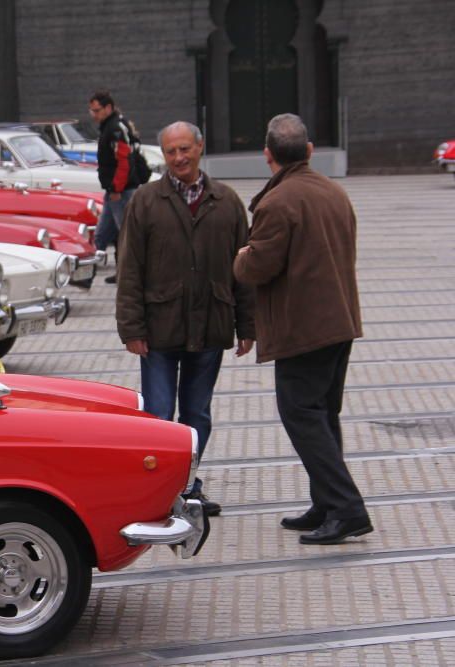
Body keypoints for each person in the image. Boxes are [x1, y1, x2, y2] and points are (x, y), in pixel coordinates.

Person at [234, 113, 371, 545]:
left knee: (302, 415)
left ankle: (346, 508)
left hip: (303, 328)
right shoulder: (333, 192)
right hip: (339, 321)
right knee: (324, 414)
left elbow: (257, 266)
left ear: (267, 155)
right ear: (309, 151)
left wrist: (240, 256)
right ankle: (327, 504)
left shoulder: (279, 203)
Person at [116, 121, 255, 517]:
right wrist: (131, 328)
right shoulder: (145, 200)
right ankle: (159, 493)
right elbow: (129, 269)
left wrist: (247, 326)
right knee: (159, 416)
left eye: (184, 150)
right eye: (171, 151)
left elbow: (242, 269)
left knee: (197, 416)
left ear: (199, 148)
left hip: (210, 327)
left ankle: (188, 486)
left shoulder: (226, 201)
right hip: (158, 330)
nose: (178, 158)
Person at [88, 90, 138, 284]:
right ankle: (89, 273)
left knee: (126, 234)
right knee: (103, 234)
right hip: (114, 191)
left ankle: (131, 274)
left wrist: (116, 188)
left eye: (97, 110)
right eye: (91, 111)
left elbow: (124, 160)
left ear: (108, 108)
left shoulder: (115, 128)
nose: (94, 115)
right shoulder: (109, 126)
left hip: (121, 191)